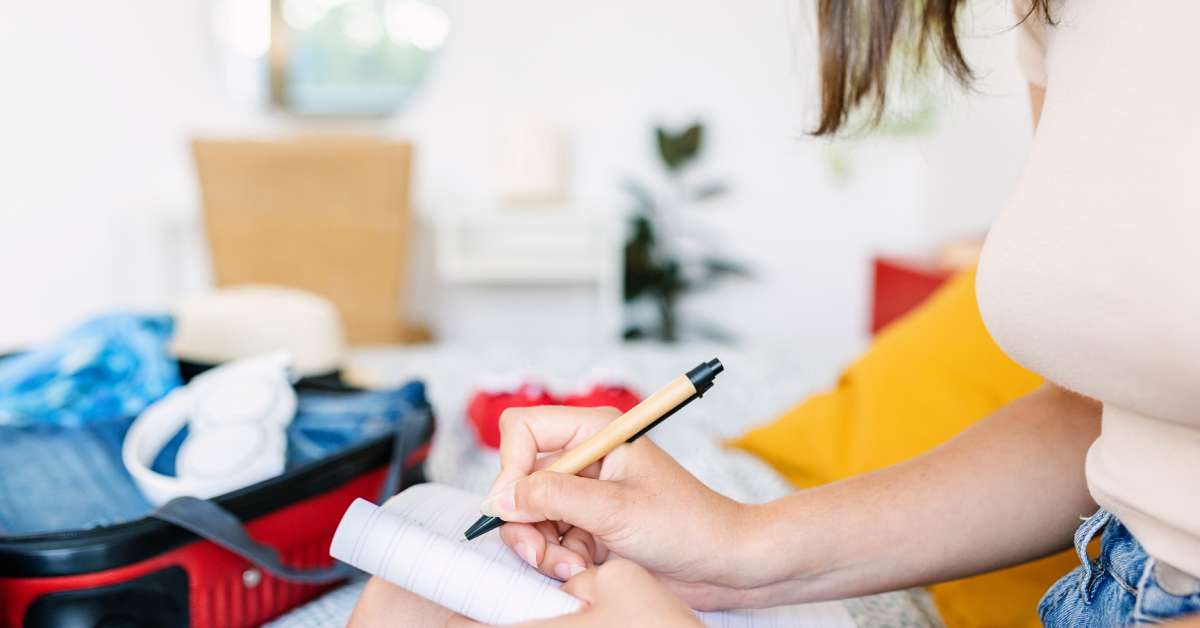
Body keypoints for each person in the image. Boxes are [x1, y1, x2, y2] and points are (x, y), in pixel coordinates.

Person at [350, 1, 1200, 625]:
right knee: (407, 605)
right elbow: (1107, 412)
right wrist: (739, 551)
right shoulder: (1057, 15)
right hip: (1103, 587)